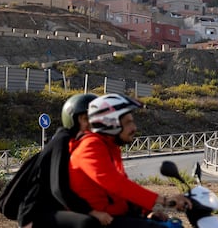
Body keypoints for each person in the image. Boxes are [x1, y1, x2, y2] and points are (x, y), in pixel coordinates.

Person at [69, 93, 192, 228]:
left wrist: (149, 211)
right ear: (110, 124)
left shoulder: (110, 147)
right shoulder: (90, 146)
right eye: (128, 123)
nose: (134, 128)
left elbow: (124, 192)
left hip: (115, 216)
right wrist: (164, 201)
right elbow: (116, 183)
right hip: (101, 221)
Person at [18, 93, 113, 228]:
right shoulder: (63, 141)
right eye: (89, 119)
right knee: (87, 223)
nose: (95, 124)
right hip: (36, 214)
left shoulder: (81, 143)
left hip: (56, 208)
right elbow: (59, 188)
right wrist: (91, 211)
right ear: (76, 119)